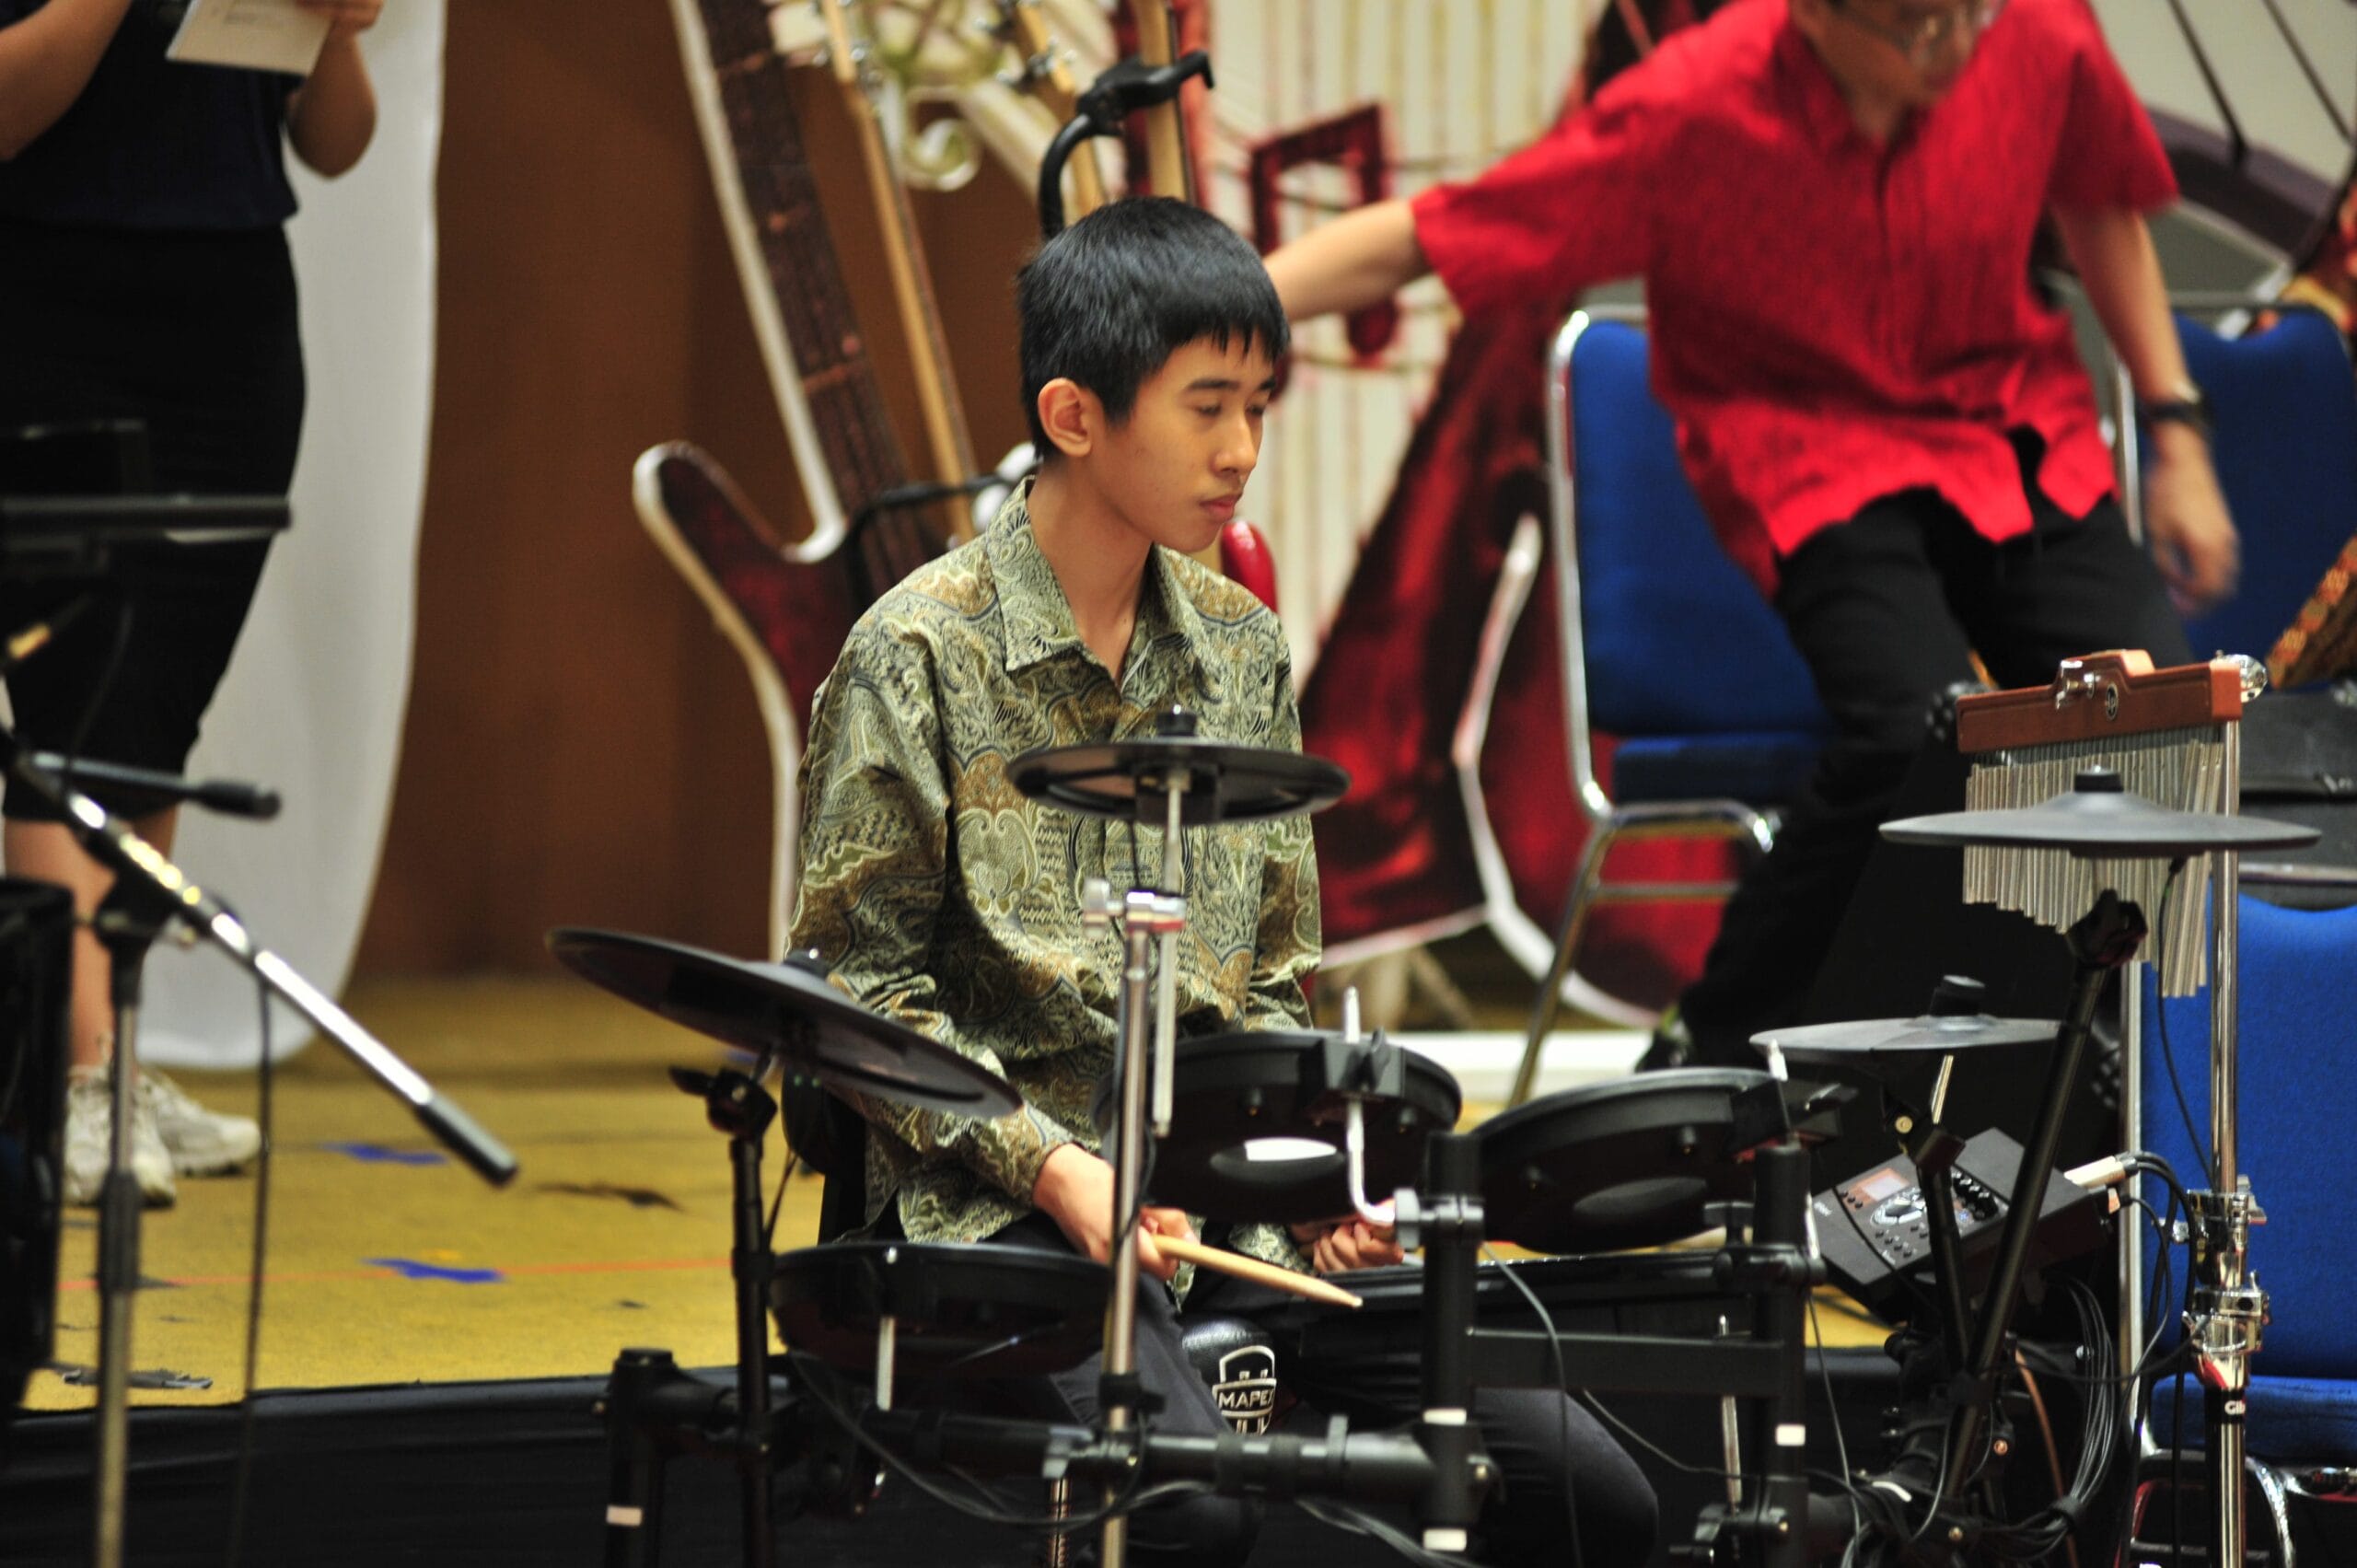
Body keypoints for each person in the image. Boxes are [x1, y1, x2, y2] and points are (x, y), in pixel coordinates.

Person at [786, 197, 1656, 1566]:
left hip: (1219, 1205)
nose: (1243, 449)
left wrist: (1318, 1178)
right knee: (1189, 1502)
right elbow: (855, 990)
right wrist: (1057, 1167)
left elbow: (1272, 980)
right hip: (998, 1210)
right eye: (1207, 408)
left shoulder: (1241, 645)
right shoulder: (917, 652)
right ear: (1075, 415)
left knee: (1589, 1497)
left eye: (1258, 404)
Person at [1265, 0, 2235, 1066]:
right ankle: (1711, 1050)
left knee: (2163, 722)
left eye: (1968, 13)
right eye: (1917, 29)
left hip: (2012, 433)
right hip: (1821, 461)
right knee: (1918, 740)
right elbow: (1434, 234)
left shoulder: (2033, 30)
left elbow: (2100, 201)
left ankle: (2103, 1069)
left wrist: (2176, 424)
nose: (1957, 48)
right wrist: (1227, 299)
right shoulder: (1693, 107)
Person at [0, 0, 382, 1204]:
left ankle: (110, 1052)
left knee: (160, 702)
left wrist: (340, 28)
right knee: (66, 699)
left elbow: (337, 143)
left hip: (231, 319)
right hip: (50, 299)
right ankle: (66, 1076)